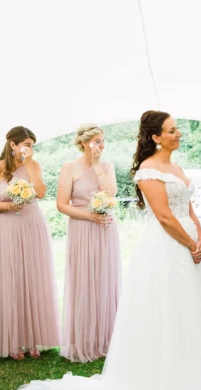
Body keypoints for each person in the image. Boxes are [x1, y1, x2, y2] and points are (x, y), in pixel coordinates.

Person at [0, 111, 201, 390]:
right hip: (165, 249)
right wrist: (189, 242)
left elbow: (188, 209)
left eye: (177, 129)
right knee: (162, 312)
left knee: (187, 312)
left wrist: (199, 237)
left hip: (186, 246)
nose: (179, 133)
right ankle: (161, 387)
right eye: (172, 130)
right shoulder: (148, 171)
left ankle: (194, 382)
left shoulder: (177, 168)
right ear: (155, 138)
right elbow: (164, 217)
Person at [0, 126, 60, 360]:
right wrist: (7, 206)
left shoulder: (34, 166)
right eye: (25, 145)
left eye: (32, 145)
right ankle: (14, 342)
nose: (29, 149)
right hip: (7, 226)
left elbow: (42, 193)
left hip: (32, 224)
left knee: (34, 278)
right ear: (12, 145)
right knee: (11, 279)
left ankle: (34, 338)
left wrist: (30, 166)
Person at [56, 123, 121, 362]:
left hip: (105, 229)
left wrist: (96, 165)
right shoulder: (69, 167)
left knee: (105, 280)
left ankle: (107, 339)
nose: (100, 146)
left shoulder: (107, 166)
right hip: (82, 228)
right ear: (83, 143)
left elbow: (111, 193)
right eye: (96, 141)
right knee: (84, 280)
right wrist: (90, 216)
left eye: (103, 141)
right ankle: (83, 340)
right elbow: (62, 204)